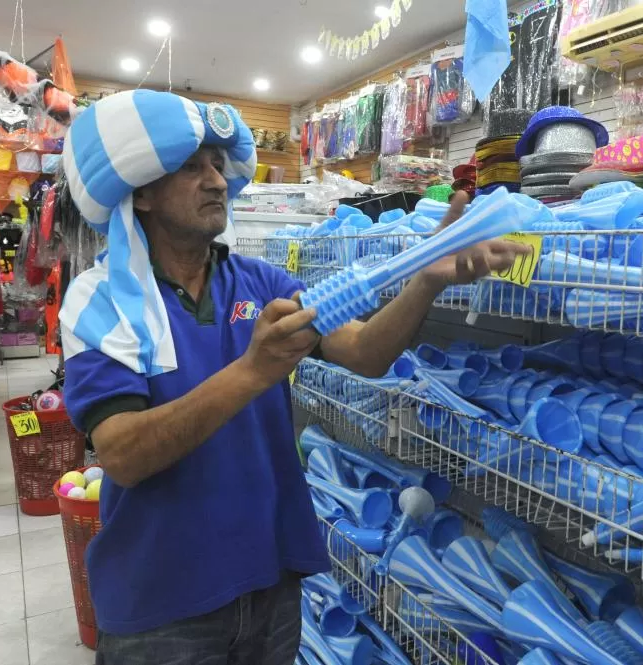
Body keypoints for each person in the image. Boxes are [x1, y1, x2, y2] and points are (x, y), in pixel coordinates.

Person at [58, 90, 528, 664]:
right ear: (144, 193)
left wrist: (425, 281)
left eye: (216, 164)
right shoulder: (101, 298)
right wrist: (254, 371)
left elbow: (362, 353)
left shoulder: (259, 282)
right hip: (162, 600)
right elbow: (123, 454)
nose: (216, 180)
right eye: (190, 167)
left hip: (269, 581)